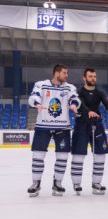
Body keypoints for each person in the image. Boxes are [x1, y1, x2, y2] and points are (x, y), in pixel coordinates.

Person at [27, 64, 81, 197]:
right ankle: (36, 183)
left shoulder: (69, 87)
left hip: (62, 127)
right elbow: (33, 97)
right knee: (38, 156)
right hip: (43, 126)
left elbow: (75, 98)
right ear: (56, 73)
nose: (66, 75)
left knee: (62, 157)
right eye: (64, 73)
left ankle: (58, 182)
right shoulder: (42, 84)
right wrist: (37, 103)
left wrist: (74, 105)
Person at [71, 68, 108, 195]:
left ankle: (96, 183)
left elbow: (106, 103)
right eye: (90, 76)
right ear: (84, 78)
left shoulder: (99, 92)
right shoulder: (79, 92)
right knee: (78, 155)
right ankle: (76, 183)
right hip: (82, 124)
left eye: (94, 76)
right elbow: (81, 104)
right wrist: (88, 112)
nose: (93, 78)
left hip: (97, 125)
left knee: (100, 154)